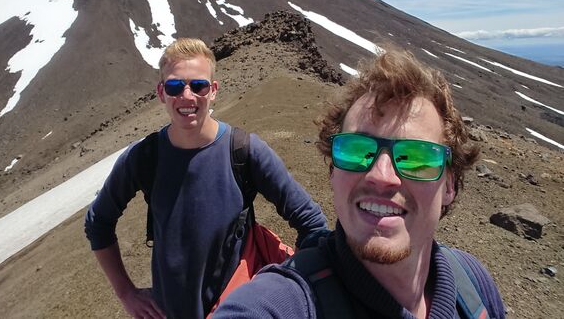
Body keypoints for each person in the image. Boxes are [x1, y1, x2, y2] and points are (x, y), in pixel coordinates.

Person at [214, 49, 506, 318]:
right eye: (355, 150)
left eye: (416, 157)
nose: (381, 175)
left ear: (450, 186)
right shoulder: (280, 303)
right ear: (332, 171)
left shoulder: (473, 285)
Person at [84, 38, 328, 319]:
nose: (187, 96)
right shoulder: (143, 157)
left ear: (213, 91)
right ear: (162, 93)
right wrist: (126, 293)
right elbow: (98, 223)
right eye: (176, 86)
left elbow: (312, 224)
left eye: (198, 86)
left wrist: (291, 292)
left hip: (236, 310)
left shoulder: (245, 150)